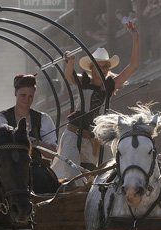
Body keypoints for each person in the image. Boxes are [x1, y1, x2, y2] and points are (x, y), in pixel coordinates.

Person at [60, 20, 140, 172]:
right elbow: (69, 76)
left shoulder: (110, 85)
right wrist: (70, 62)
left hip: (92, 140)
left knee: (90, 176)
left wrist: (135, 38)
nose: (103, 70)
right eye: (99, 66)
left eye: (106, 67)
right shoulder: (84, 81)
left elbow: (133, 66)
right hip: (73, 134)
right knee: (70, 174)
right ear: (92, 67)